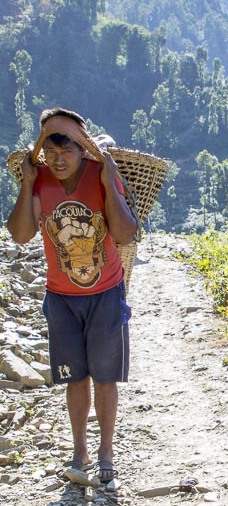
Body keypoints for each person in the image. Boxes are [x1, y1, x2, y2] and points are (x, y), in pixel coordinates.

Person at [6, 107, 138, 484]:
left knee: (105, 378)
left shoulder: (100, 175)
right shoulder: (41, 181)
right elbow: (20, 234)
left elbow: (125, 233)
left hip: (106, 294)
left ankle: (106, 451)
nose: (60, 159)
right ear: (43, 151)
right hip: (61, 297)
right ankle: (80, 450)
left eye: (68, 151)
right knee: (74, 378)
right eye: (52, 151)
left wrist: (110, 179)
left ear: (83, 150)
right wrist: (27, 184)